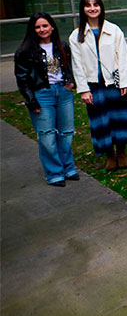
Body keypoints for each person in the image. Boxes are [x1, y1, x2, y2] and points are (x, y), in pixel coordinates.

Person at [69, 0, 127, 171]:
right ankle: (109, 154)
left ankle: (122, 151)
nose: (92, 8)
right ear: (82, 9)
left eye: (96, 5)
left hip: (114, 83)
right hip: (94, 85)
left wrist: (125, 82)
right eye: (88, 5)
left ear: (101, 7)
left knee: (119, 118)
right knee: (101, 120)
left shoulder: (113, 30)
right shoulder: (76, 35)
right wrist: (83, 90)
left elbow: (123, 57)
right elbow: (77, 65)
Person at [14, 12, 79, 187]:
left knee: (66, 132)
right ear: (32, 30)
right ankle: (55, 173)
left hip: (63, 93)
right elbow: (22, 78)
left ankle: (68, 167)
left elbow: (68, 67)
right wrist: (31, 100)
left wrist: (71, 82)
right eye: (37, 27)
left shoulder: (61, 45)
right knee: (47, 135)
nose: (42, 29)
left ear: (51, 26)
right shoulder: (25, 51)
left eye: (45, 25)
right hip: (42, 95)